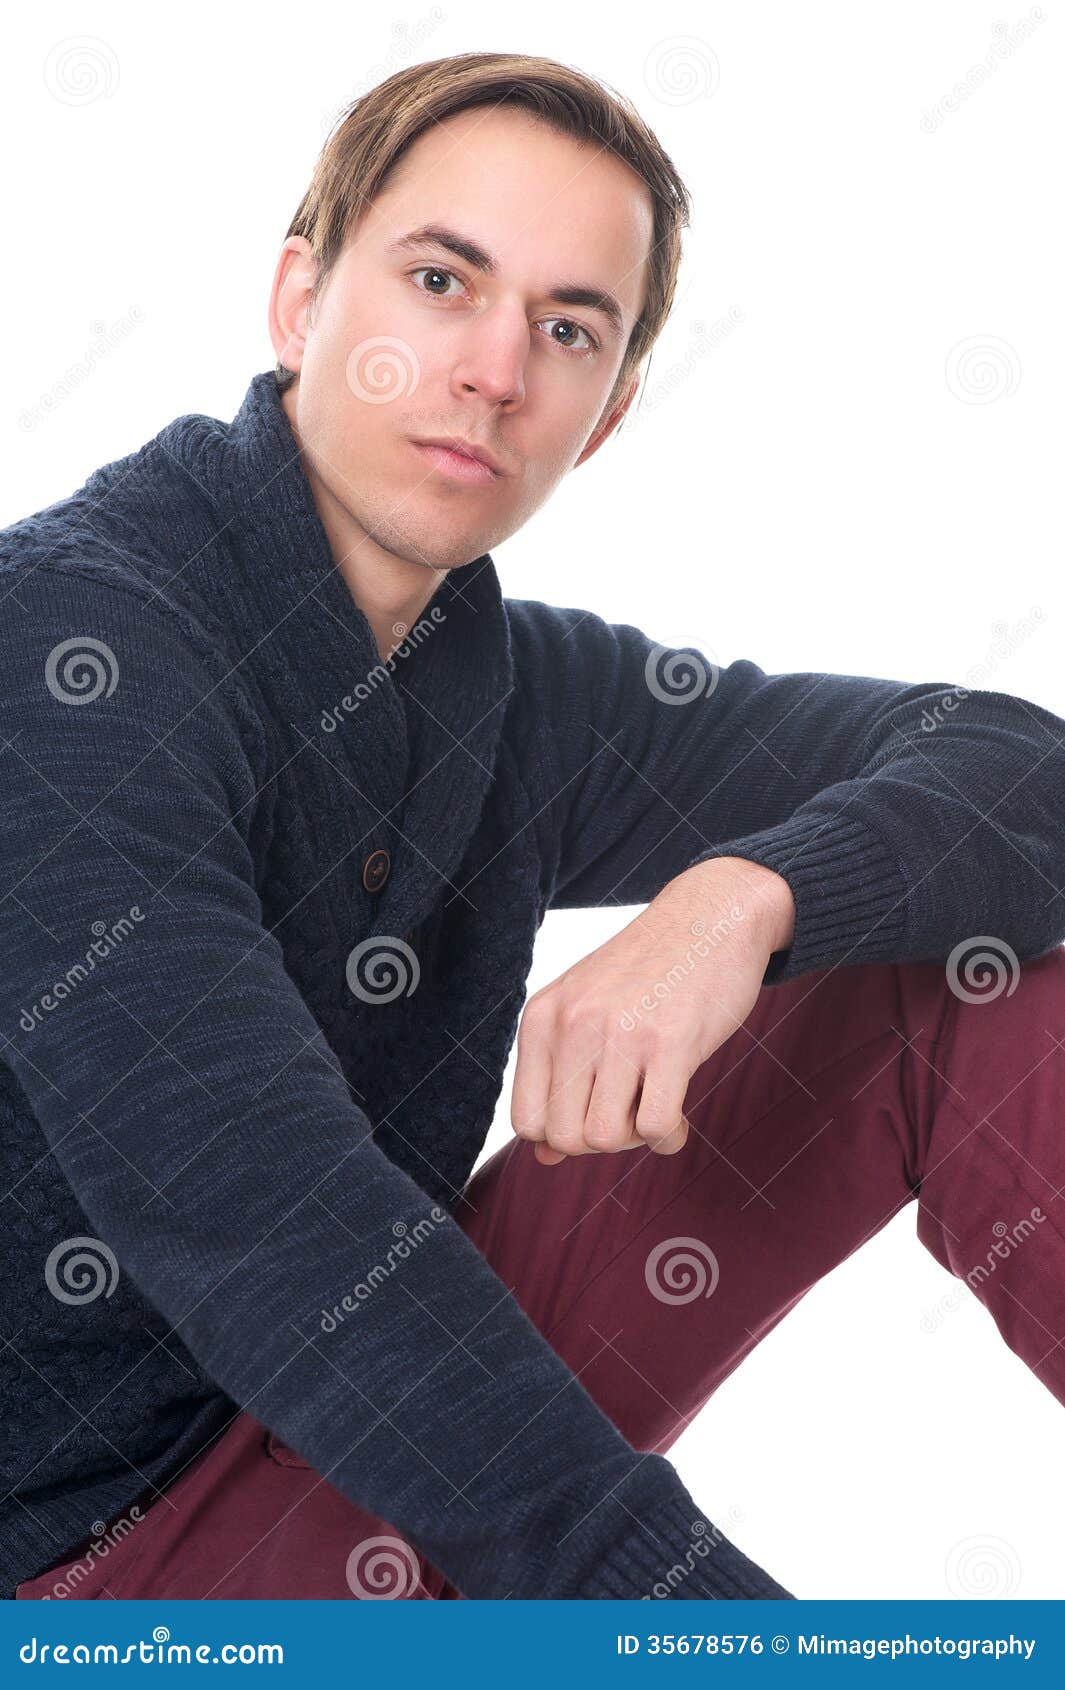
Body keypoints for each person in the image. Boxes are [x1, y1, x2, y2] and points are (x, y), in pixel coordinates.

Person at [4, 51, 1064, 1603]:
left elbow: (1015, 770)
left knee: (956, 956)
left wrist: (745, 895)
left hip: (357, 1456)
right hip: (89, 1590)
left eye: (566, 328)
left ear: (610, 408)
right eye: (442, 280)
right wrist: (706, 1623)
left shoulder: (511, 686)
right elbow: (253, 1209)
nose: (495, 371)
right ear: (300, 299)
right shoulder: (68, 646)